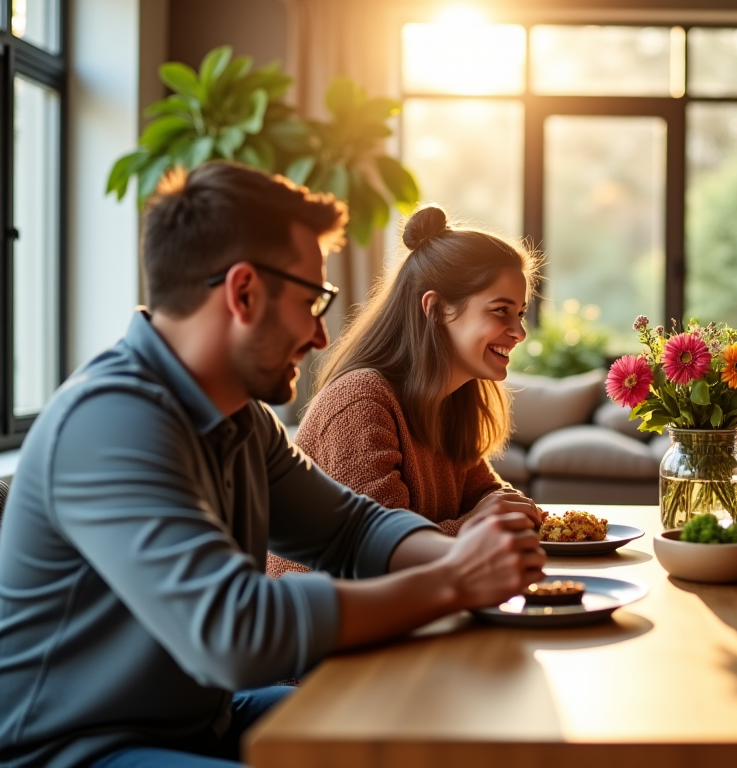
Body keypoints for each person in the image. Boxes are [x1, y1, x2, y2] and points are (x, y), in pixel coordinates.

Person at [0, 162, 545, 768]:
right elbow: (235, 630)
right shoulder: (110, 423)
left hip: (203, 719)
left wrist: (464, 556)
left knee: (431, 740)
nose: (319, 336)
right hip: (75, 750)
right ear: (243, 292)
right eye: (311, 302)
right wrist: (453, 579)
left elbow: (350, 529)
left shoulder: (239, 417)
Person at [266, 206, 542, 578]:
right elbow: (376, 559)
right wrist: (476, 526)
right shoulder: (360, 401)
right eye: (500, 311)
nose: (519, 332)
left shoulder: (451, 402)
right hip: (324, 626)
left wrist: (505, 513)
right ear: (436, 308)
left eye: (521, 313)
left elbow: (488, 498)